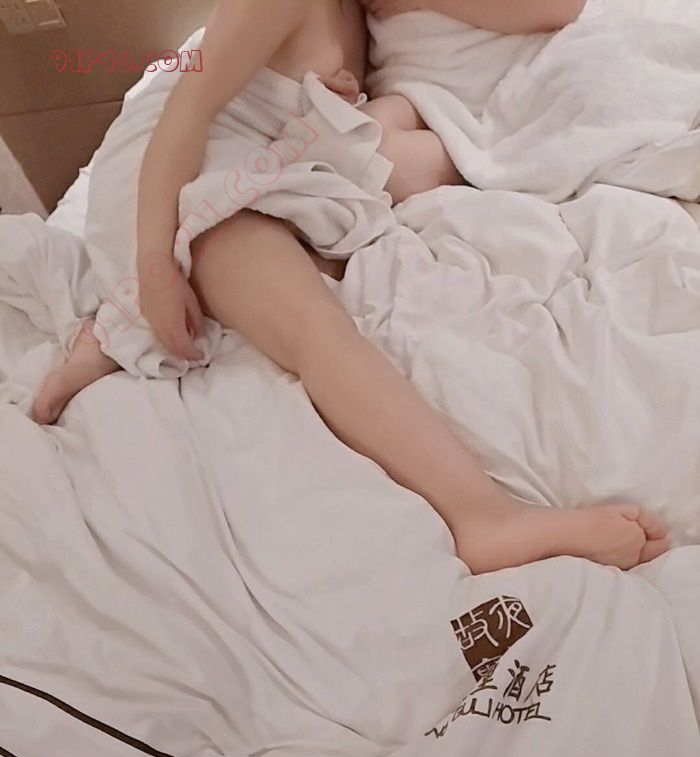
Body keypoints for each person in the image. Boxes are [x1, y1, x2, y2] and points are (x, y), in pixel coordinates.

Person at [32, 0, 668, 574]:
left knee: (374, 184)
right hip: (174, 165)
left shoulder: (365, 16)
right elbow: (183, 116)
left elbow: (552, 8)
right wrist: (154, 266)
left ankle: (109, 328)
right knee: (311, 326)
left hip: (261, 156)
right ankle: (483, 518)